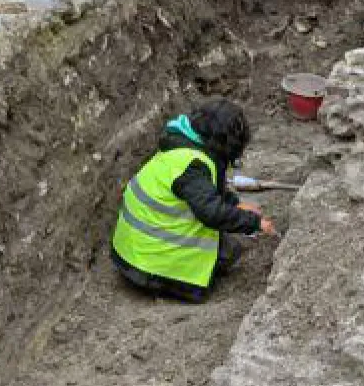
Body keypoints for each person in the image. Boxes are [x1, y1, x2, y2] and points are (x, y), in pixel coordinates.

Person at [111, 97, 277, 303]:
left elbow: (203, 191)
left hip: (131, 254)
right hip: (150, 267)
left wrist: (234, 203)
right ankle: (176, 282)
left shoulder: (181, 147)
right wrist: (254, 223)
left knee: (225, 239)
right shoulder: (193, 166)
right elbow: (211, 212)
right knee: (228, 251)